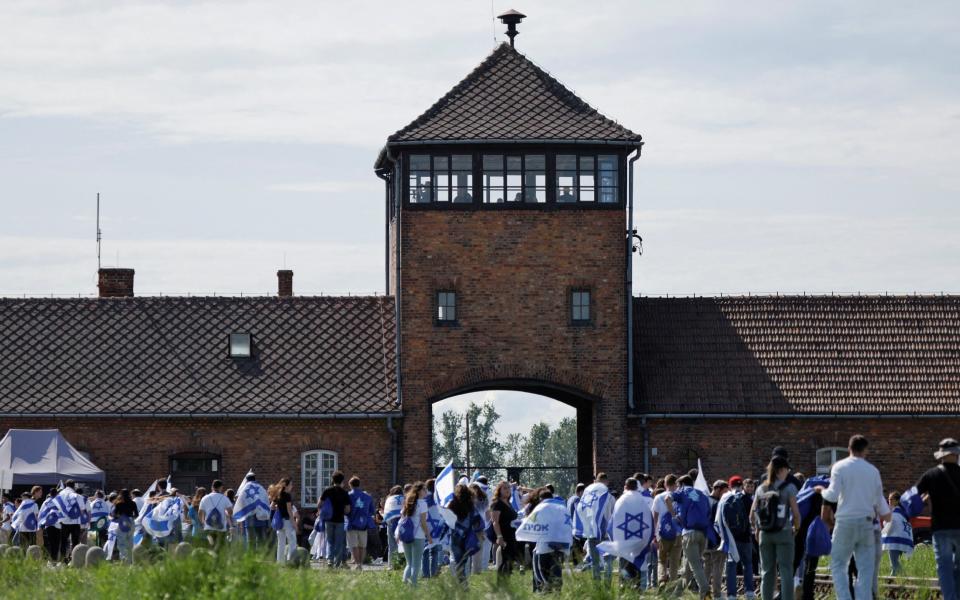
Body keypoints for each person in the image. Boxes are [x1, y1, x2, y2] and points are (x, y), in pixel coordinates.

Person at [821, 435, 891, 600]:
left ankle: (844, 598)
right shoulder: (873, 471)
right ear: (865, 450)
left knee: (838, 564)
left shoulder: (840, 467)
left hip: (845, 522)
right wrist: (888, 516)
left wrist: (820, 491)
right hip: (867, 523)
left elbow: (832, 495)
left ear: (849, 448)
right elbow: (879, 501)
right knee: (865, 569)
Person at [915, 437, 960, 600]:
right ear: (956, 454)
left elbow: (912, 496)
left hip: (940, 528)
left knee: (944, 567)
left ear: (940, 455)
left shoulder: (931, 474)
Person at [752, 456, 801, 600]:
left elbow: (752, 514)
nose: (788, 472)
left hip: (765, 533)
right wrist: (796, 529)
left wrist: (757, 530)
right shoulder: (789, 488)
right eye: (788, 469)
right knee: (786, 570)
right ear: (782, 470)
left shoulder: (761, 488)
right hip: (784, 531)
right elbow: (796, 514)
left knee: (767, 571)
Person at [718, 475, 756, 600]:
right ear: (741, 486)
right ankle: (750, 592)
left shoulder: (726, 498)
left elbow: (719, 520)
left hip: (732, 538)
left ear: (729, 485)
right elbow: (753, 517)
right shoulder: (748, 499)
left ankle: (732, 594)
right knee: (748, 564)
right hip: (746, 537)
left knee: (731, 565)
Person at [674, 474, 711, 598]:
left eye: (678, 486)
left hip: (689, 533)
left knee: (695, 566)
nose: (677, 488)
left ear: (682, 484)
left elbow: (668, 498)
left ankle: (705, 591)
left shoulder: (683, 492)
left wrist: (674, 515)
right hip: (702, 534)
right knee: (688, 569)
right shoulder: (701, 495)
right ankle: (675, 595)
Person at [578, 472, 614, 584]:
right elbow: (613, 514)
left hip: (592, 532)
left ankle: (596, 584)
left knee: (595, 561)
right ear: (606, 482)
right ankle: (607, 583)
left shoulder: (588, 496)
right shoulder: (610, 497)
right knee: (608, 559)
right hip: (605, 532)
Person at [399, 482, 433, 586]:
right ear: (419, 491)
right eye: (424, 489)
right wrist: (429, 536)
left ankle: (404, 584)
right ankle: (413, 585)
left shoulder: (408, 501)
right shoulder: (422, 503)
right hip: (418, 536)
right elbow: (423, 522)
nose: (426, 491)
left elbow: (402, 518)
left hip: (406, 535)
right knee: (416, 563)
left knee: (409, 563)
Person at [448, 483, 482, 585]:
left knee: (458, 561)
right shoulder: (471, 506)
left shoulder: (452, 505)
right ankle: (463, 583)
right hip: (468, 536)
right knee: (464, 561)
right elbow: (478, 521)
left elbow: (446, 519)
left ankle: (461, 583)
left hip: (455, 536)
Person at [653, 474, 682, 588]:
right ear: (676, 484)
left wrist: (655, 535)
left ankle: (661, 580)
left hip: (662, 533)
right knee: (675, 561)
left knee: (662, 560)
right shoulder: (679, 497)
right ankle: (673, 584)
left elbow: (655, 517)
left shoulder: (658, 497)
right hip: (677, 533)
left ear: (665, 484)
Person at [320, 471, 351, 568]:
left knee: (330, 541)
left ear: (332, 480)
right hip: (340, 520)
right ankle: (337, 562)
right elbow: (347, 509)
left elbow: (319, 504)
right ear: (342, 480)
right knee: (339, 542)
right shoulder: (344, 493)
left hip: (329, 519)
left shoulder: (327, 491)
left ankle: (330, 560)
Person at [704, 480, 730, 599]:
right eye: (725, 491)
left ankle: (704, 593)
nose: (726, 493)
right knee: (718, 568)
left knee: (707, 568)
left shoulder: (704, 500)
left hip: (705, 540)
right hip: (717, 540)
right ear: (718, 489)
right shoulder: (720, 503)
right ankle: (717, 595)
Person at [491, 480, 520, 578]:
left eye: (508, 488)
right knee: (505, 560)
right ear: (499, 490)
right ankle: (502, 584)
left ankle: (506, 582)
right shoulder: (497, 503)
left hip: (512, 535)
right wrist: (499, 536)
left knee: (510, 560)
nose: (507, 490)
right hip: (504, 535)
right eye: (505, 488)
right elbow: (495, 522)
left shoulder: (508, 503)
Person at [881, 491, 913, 576]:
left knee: (894, 563)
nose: (889, 501)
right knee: (894, 563)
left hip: (895, 541)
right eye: (888, 499)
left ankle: (905, 578)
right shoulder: (901, 513)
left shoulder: (895, 513)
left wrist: (881, 534)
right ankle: (894, 578)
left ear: (897, 501)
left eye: (891, 499)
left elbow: (889, 526)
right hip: (902, 540)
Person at [345, 476, 373, 570]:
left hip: (351, 523)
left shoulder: (348, 495)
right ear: (359, 484)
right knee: (362, 545)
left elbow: (347, 510)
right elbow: (371, 511)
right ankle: (360, 563)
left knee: (354, 545)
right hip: (364, 524)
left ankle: (358, 564)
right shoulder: (368, 496)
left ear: (350, 485)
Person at [57, 480, 87, 562]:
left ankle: (62, 560)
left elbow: (57, 508)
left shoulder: (59, 495)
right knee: (75, 542)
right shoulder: (77, 496)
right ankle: (74, 560)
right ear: (74, 486)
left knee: (63, 542)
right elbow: (82, 510)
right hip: (75, 522)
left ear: (66, 485)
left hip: (63, 522)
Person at [198, 479, 233, 549]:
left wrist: (203, 522)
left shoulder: (205, 498)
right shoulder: (224, 498)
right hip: (221, 528)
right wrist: (226, 514)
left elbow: (200, 512)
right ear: (221, 487)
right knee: (220, 548)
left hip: (208, 527)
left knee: (210, 548)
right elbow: (230, 512)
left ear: (212, 487)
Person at [268, 478, 296, 563]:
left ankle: (280, 562)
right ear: (286, 486)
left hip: (279, 522)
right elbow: (289, 510)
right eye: (290, 484)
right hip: (287, 521)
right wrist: (294, 522)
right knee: (292, 541)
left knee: (281, 543)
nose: (292, 486)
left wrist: (278, 507)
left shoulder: (278, 495)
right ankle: (291, 561)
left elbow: (271, 507)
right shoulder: (287, 495)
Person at [469, 481, 492, 574]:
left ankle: (473, 570)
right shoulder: (484, 499)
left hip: (472, 527)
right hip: (481, 527)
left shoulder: (469, 501)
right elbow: (487, 515)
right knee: (478, 550)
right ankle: (477, 571)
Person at [112, 489, 138, 564]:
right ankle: (130, 561)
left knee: (121, 542)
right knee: (130, 542)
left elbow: (115, 515)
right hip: (131, 522)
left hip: (122, 522)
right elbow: (136, 515)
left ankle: (124, 560)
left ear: (121, 495)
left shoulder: (118, 504)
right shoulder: (133, 503)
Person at [383, 485, 404, 568]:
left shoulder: (389, 499)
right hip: (402, 523)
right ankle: (402, 564)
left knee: (392, 545)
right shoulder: (404, 498)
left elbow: (386, 513)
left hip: (391, 522)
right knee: (402, 544)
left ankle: (391, 565)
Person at [40, 488, 61, 561]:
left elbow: (41, 513)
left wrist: (41, 523)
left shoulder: (46, 502)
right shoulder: (60, 501)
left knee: (50, 542)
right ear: (57, 493)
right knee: (57, 542)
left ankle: (51, 559)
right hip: (58, 525)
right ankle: (55, 558)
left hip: (48, 524)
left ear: (50, 493)